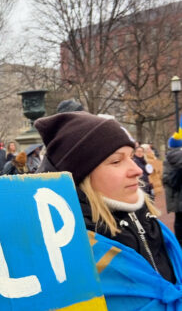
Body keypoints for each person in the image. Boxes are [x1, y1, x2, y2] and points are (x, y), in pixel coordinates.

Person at [35, 111, 182, 309]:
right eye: (116, 161)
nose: (136, 170)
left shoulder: (148, 222)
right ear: (81, 175)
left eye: (131, 157)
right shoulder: (68, 249)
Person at [163, 125, 182, 246]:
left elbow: (166, 179)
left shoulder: (168, 158)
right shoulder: (179, 157)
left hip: (175, 197)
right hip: (178, 195)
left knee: (179, 222)